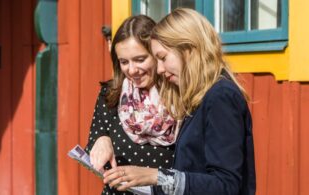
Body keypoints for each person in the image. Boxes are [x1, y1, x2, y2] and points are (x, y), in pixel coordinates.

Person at [103, 8, 256, 195]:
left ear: (188, 50)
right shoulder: (199, 96)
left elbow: (225, 185)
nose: (159, 69)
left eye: (163, 58)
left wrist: (157, 176)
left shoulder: (220, 96)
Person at [85, 15, 179, 195]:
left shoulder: (179, 95)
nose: (132, 70)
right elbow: (94, 146)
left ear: (157, 55)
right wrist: (101, 140)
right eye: (124, 62)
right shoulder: (111, 94)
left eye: (140, 59)